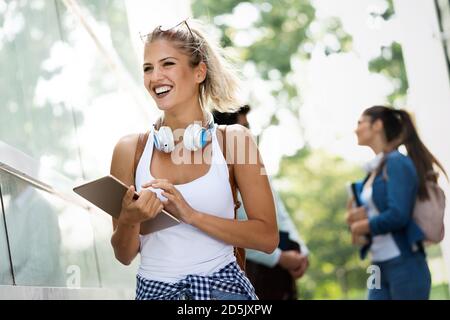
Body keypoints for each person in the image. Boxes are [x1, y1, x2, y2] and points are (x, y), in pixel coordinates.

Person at [109, 19, 278, 300]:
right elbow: (123, 255)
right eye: (148, 68)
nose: (155, 77)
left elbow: (268, 238)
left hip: (225, 292)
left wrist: (191, 215)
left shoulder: (237, 141)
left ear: (199, 72)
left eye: (168, 64)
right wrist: (128, 220)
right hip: (154, 292)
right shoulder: (128, 149)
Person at [346, 105, 447, 300]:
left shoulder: (397, 162)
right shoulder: (373, 170)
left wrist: (364, 225)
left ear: (377, 125)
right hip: (376, 266)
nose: (355, 129)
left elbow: (398, 215)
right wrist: (356, 218)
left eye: (360, 123)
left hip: (404, 263)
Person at [213, 106, 310, 300]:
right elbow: (228, 234)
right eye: (244, 127)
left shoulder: (256, 168)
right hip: (250, 274)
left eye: (248, 127)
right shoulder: (215, 178)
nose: (249, 133)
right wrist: (280, 258)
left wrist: (301, 250)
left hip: (280, 274)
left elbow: (280, 213)